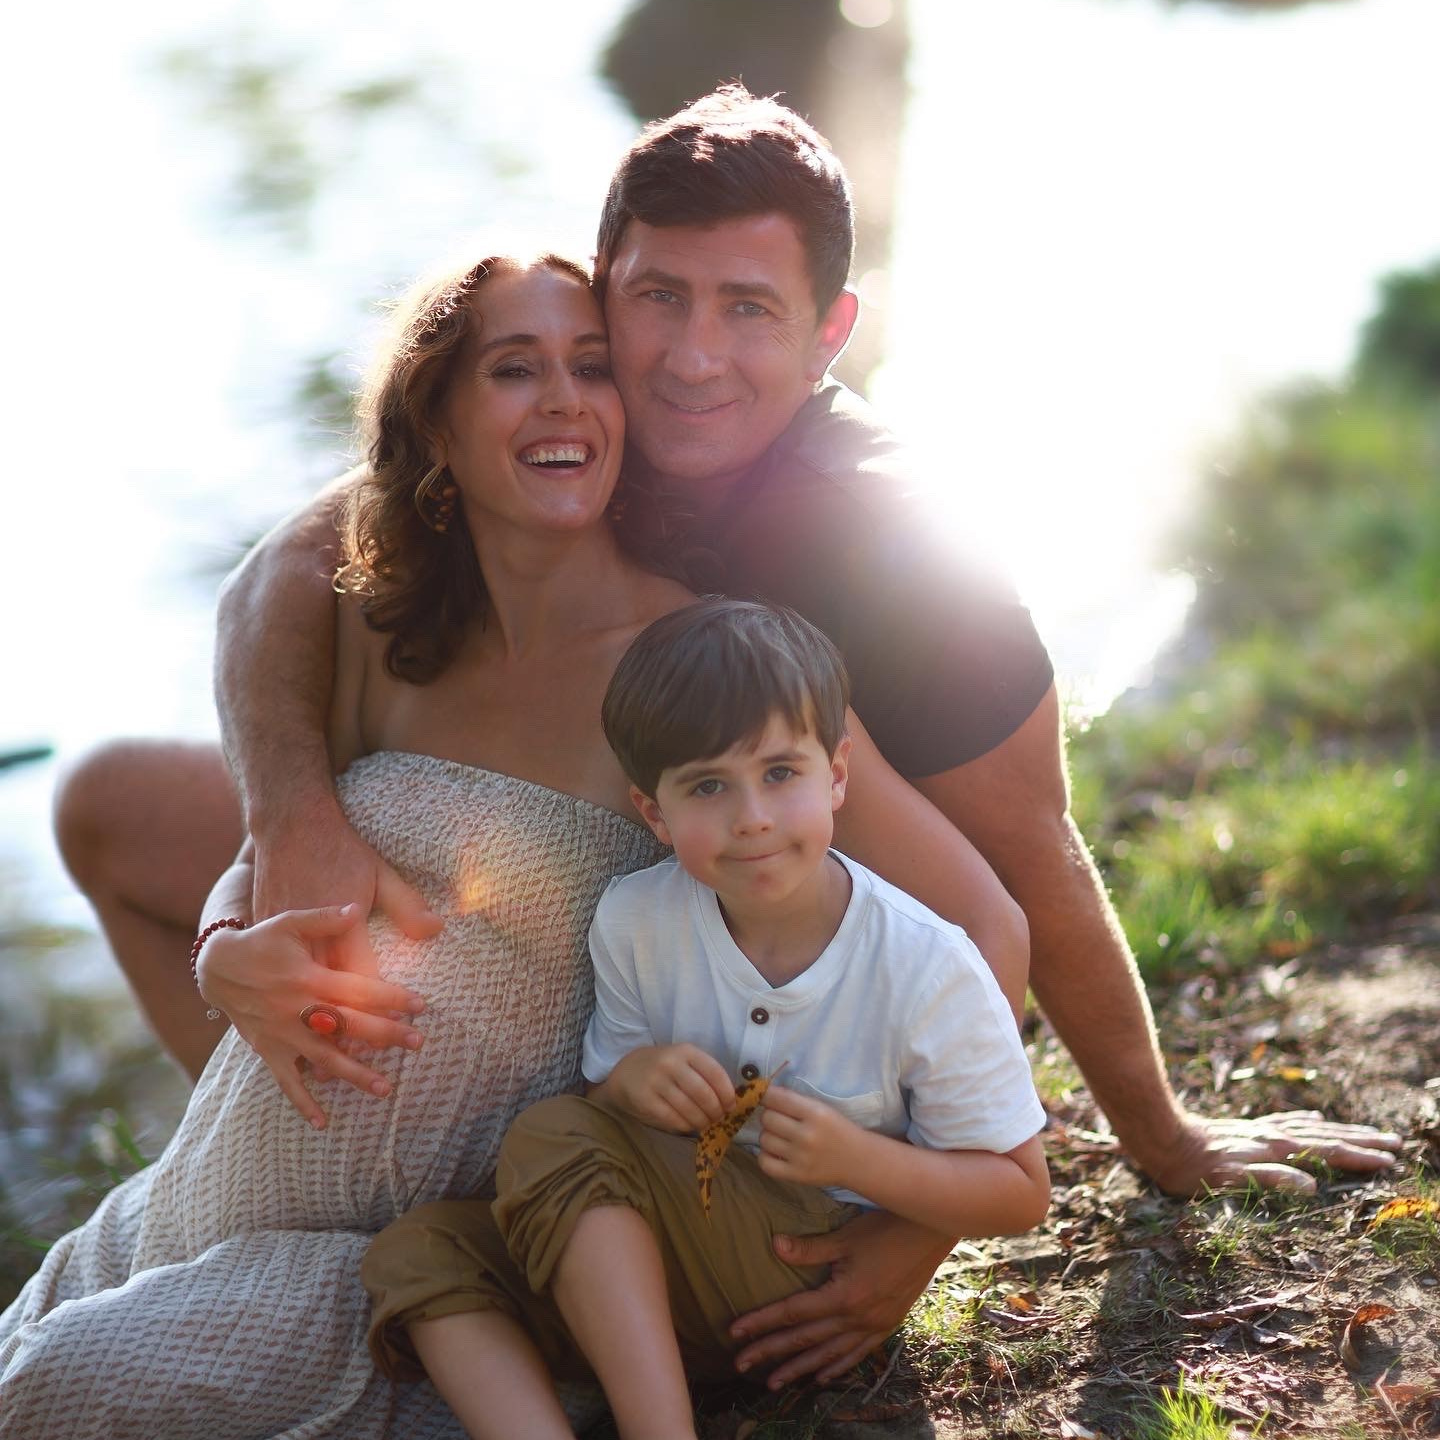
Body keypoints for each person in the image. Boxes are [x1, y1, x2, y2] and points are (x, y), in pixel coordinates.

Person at [52, 84, 1400, 1388]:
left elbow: (1023, 860)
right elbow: (281, 570)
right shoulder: (573, 409)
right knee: (102, 807)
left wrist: (1088, 1162)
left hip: (708, 949)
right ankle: (276, 1160)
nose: (692, 357)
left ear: (829, 333)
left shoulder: (895, 554)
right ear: (607, 284)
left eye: (748, 309)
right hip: (515, 866)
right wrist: (290, 829)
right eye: (658, 300)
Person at [2, 248, 1017, 1438]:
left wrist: (914, 1237)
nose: (564, 401)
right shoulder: (385, 633)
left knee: (46, 1390)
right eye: (515, 370)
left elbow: (979, 922)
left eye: (592, 367)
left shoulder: (690, 670)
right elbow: (266, 851)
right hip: (207, 1191)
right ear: (437, 419)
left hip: (417, 1260)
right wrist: (223, 945)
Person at [362, 599, 1050, 1440]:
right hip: (662, 1278)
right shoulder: (636, 920)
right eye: (709, 786)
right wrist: (631, 1083)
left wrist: (860, 1161)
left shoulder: (923, 962)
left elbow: (1020, 1191)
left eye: (781, 773)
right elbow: (603, 1120)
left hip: (809, 1270)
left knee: (548, 1137)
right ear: (654, 811)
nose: (751, 816)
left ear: (837, 773)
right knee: (416, 1252)